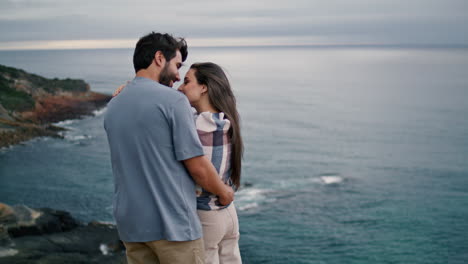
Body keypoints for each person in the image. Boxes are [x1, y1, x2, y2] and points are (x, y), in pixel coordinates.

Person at [104, 32, 234, 264]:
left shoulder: (114, 104)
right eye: (177, 65)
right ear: (158, 58)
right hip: (172, 225)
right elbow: (198, 167)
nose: (177, 76)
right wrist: (225, 193)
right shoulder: (173, 101)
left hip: (131, 226)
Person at [178, 62, 243, 264]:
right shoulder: (225, 120)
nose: (180, 87)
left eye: (186, 81)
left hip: (207, 215)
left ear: (204, 87)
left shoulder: (197, 125)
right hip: (228, 214)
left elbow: (201, 172)